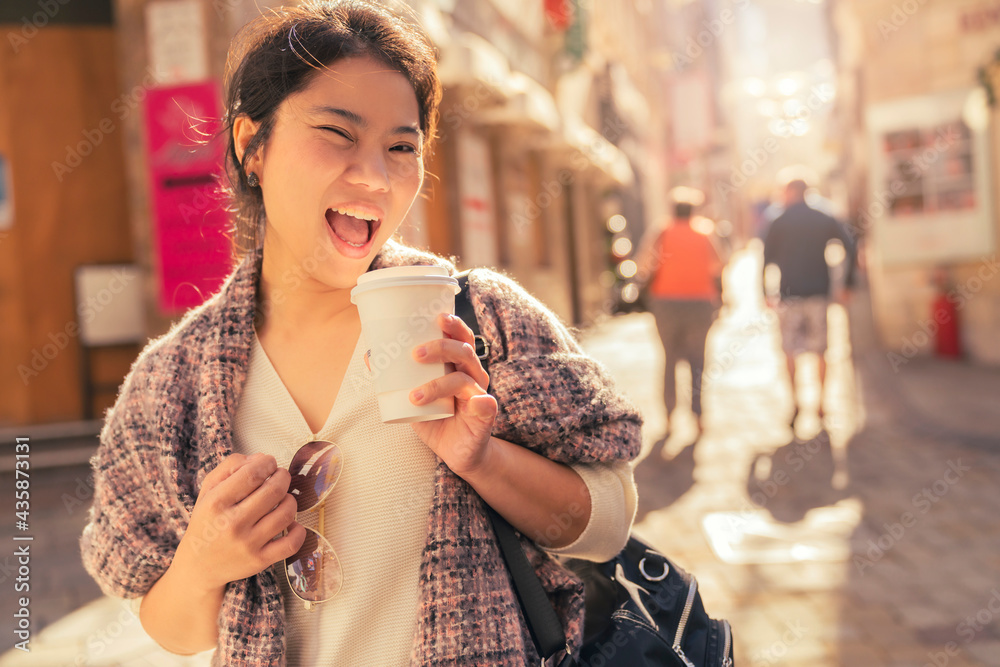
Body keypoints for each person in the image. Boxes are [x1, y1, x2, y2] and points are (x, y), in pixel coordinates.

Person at [79, 2, 641, 666]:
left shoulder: (479, 319)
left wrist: (483, 460)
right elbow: (175, 628)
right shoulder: (173, 383)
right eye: (337, 134)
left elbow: (607, 523)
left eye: (401, 147)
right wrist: (204, 560)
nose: (374, 176)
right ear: (250, 145)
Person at [762, 179, 856, 426]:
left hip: (789, 295)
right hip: (818, 292)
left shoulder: (779, 222)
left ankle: (795, 403)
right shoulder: (823, 218)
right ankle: (822, 404)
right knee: (820, 350)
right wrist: (847, 283)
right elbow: (850, 244)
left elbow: (765, 258)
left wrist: (763, 291)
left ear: (791, 192)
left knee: (790, 351)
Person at [638, 199, 722, 437]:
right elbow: (718, 264)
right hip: (700, 302)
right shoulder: (704, 232)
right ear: (693, 212)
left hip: (666, 303)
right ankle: (698, 416)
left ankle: (668, 416)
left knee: (669, 359)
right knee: (698, 360)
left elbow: (644, 263)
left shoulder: (662, 232)